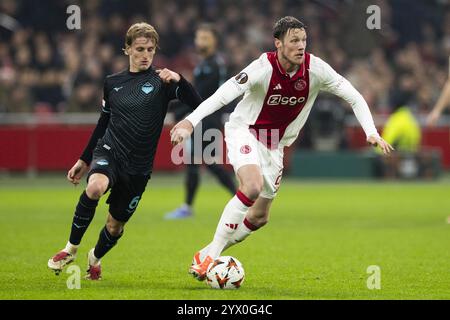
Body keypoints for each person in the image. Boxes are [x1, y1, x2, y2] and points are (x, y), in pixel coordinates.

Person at [170, 16, 394, 281]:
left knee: (259, 217)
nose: (301, 46)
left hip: (275, 146)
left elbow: (353, 95)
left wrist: (370, 132)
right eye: (294, 41)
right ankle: (211, 257)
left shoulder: (316, 70)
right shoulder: (262, 67)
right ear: (278, 43)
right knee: (251, 186)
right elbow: (223, 95)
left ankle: (206, 251)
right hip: (245, 132)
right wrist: (189, 121)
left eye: (304, 40)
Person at [47, 22, 202, 280]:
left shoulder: (162, 81)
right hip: (110, 151)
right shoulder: (112, 83)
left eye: (150, 50)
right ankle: (70, 248)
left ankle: (94, 257)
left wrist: (180, 79)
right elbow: (103, 122)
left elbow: (199, 104)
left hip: (139, 167)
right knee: (95, 187)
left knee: (115, 226)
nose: (145, 55)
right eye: (140, 49)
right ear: (127, 49)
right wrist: (84, 159)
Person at [164, 24, 236, 219]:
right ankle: (187, 207)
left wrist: (174, 110)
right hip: (199, 117)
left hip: (208, 118)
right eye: (199, 38)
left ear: (215, 41)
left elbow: (201, 97)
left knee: (209, 162)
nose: (201, 41)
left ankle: (241, 199)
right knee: (196, 162)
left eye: (205, 38)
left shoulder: (216, 64)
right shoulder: (203, 64)